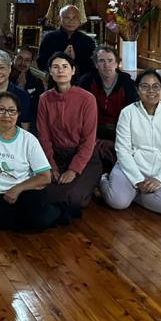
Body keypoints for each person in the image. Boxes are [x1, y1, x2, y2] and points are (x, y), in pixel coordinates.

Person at [0, 92, 74, 232]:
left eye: (12, 111)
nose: (6, 115)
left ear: (18, 114)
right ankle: (38, 217)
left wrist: (17, 189)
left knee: (33, 223)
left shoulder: (29, 140)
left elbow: (45, 177)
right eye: (1, 110)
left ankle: (59, 209)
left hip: (27, 189)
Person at [99, 69, 161, 215]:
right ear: (138, 90)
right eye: (145, 86)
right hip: (130, 169)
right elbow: (123, 150)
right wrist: (137, 180)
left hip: (158, 171)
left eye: (156, 86)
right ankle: (104, 180)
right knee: (117, 202)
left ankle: (133, 195)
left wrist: (160, 179)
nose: (151, 91)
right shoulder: (128, 113)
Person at [36, 53, 101, 209]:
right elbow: (44, 137)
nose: (60, 71)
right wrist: (51, 166)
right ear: (50, 71)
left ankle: (96, 183)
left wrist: (73, 170)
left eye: (65, 67)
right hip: (56, 156)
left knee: (75, 199)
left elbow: (88, 140)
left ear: (73, 70)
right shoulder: (44, 99)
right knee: (41, 191)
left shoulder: (87, 99)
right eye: (56, 67)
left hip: (84, 156)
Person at [77, 44, 138, 170]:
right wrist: (95, 141)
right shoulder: (86, 82)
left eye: (110, 60)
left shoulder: (128, 85)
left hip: (119, 135)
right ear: (96, 64)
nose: (106, 65)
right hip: (93, 134)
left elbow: (133, 119)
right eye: (101, 61)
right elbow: (78, 116)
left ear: (117, 63)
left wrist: (115, 143)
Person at [37, 5, 96, 80]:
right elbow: (41, 64)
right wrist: (61, 58)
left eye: (74, 18)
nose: (71, 21)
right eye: (67, 18)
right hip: (55, 80)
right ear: (60, 19)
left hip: (80, 81)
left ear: (79, 21)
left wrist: (74, 61)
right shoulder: (49, 38)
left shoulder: (88, 41)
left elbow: (92, 66)